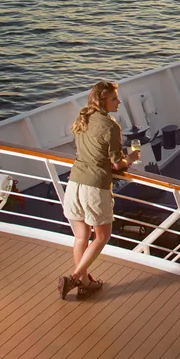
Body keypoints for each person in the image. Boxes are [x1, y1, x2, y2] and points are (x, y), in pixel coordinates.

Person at [58, 80, 141, 300]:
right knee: (102, 236)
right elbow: (116, 164)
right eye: (114, 98)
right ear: (102, 100)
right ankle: (74, 278)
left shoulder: (83, 119)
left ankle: (85, 283)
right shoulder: (111, 126)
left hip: (74, 183)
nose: (119, 102)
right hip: (94, 186)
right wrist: (131, 158)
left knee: (81, 236)